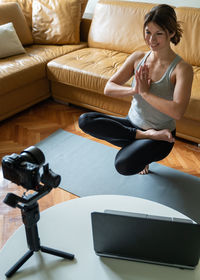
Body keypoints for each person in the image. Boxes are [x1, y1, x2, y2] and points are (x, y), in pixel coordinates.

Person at [78, 4, 193, 175]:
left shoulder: (181, 69)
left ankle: (144, 144)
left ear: (171, 33)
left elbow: (177, 112)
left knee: (123, 165)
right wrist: (134, 91)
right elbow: (109, 88)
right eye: (148, 32)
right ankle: (144, 137)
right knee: (85, 120)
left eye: (159, 33)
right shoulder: (138, 58)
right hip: (132, 125)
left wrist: (145, 93)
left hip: (163, 136)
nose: (151, 40)